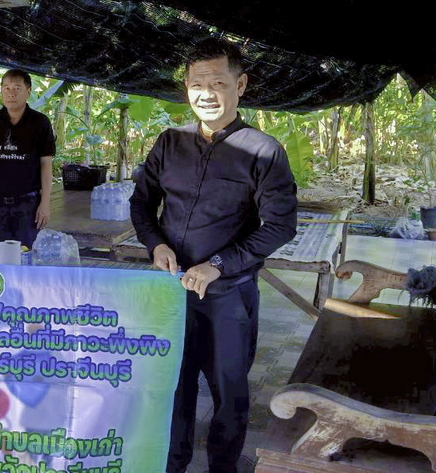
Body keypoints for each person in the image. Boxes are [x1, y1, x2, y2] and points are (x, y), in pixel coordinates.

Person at [129, 38, 298, 473]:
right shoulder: (170, 142)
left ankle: (223, 467)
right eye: (196, 84)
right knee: (172, 385)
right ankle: (173, 463)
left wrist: (219, 265)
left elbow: (281, 225)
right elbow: (141, 203)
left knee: (229, 392)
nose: (206, 93)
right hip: (170, 293)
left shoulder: (263, 151)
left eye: (218, 83)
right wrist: (156, 244)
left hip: (228, 298)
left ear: (240, 85)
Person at [0, 69, 56, 248]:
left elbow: (46, 163)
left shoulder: (40, 122)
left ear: (28, 91)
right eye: (6, 88)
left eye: (17, 88)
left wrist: (45, 203)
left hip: (28, 204)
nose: (11, 93)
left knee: (26, 253)